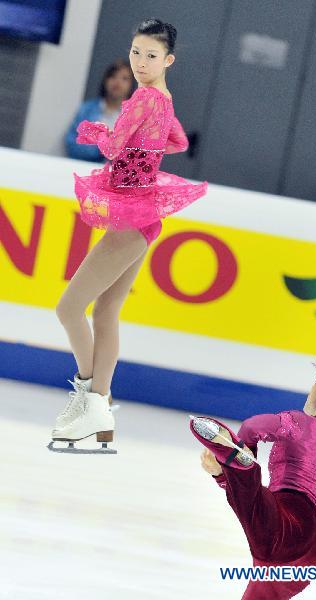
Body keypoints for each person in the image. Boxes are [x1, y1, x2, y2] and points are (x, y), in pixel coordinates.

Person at [49, 18, 208, 453]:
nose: (140, 62)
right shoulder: (165, 99)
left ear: (168, 60)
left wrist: (96, 131)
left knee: (68, 309)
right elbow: (174, 140)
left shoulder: (144, 98)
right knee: (105, 314)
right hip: (143, 214)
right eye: (135, 52)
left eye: (150, 55)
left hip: (129, 215)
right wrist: (144, 150)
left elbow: (115, 144)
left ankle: (90, 398)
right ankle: (101, 411)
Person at [190, 340, 316, 598]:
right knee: (256, 512)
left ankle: (241, 468)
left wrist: (245, 454)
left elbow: (253, 427)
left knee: (256, 504)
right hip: (306, 559)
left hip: (285, 526)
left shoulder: (300, 423)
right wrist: (222, 475)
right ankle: (236, 469)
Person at [64, 59, 135, 163]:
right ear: (105, 80)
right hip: (84, 168)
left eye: (124, 78)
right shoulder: (87, 109)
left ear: (131, 85)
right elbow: (71, 144)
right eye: (113, 76)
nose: (117, 82)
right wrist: (101, 149)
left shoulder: (134, 117)